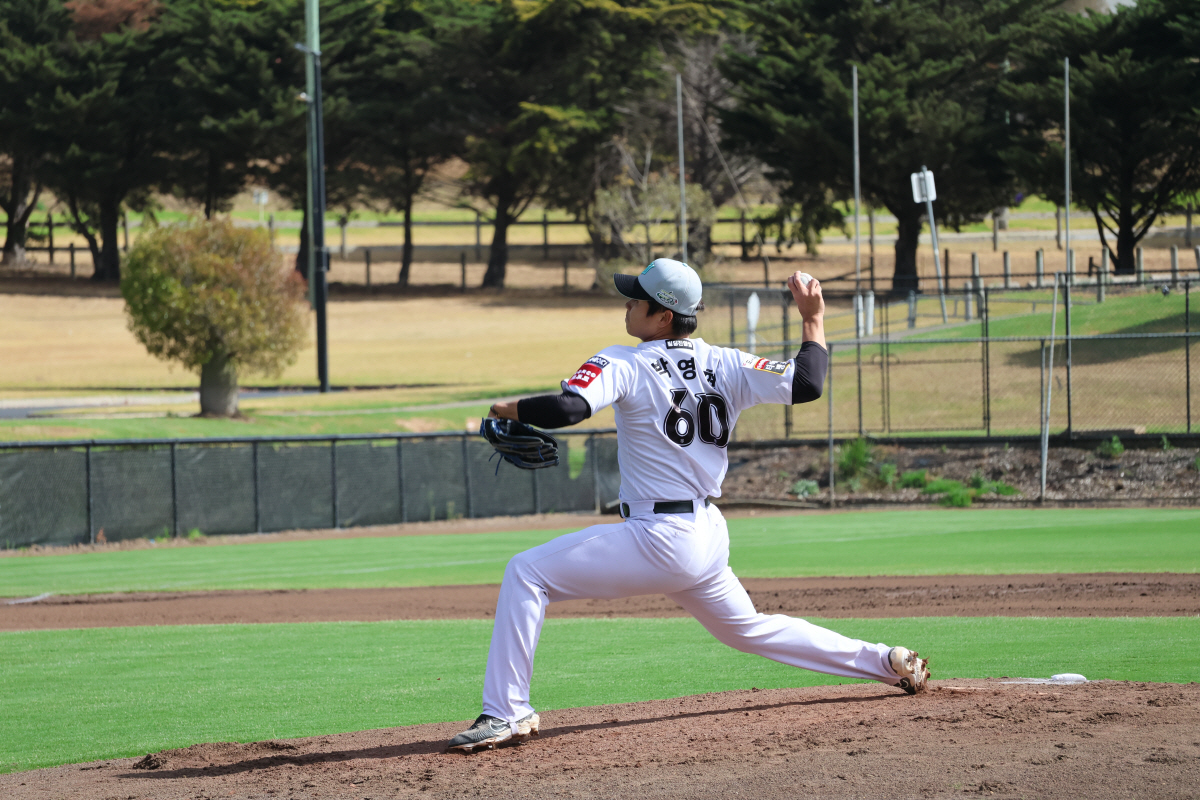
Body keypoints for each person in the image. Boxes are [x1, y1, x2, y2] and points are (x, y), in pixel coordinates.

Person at [447, 258, 929, 753]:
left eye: (637, 298)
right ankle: (883, 660)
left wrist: (504, 406)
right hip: (705, 534)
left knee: (526, 573)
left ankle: (506, 712)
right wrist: (813, 319)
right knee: (749, 629)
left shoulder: (625, 361)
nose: (628, 304)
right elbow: (808, 383)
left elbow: (570, 408)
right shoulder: (727, 362)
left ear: (663, 317)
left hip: (658, 537)